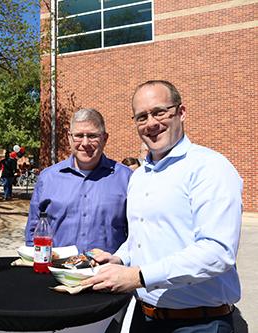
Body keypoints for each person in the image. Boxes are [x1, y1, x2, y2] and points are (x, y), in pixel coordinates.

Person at [83, 80, 242, 333]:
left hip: (199, 323)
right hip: (143, 319)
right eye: (141, 116)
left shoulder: (210, 168)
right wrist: (119, 257)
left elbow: (217, 252)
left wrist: (138, 276)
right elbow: (141, 237)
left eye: (159, 112)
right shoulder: (139, 176)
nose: (151, 123)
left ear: (181, 112)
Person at [25, 108, 132, 254]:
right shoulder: (48, 178)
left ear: (105, 138)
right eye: (79, 136)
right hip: (57, 270)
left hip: (107, 272)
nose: (85, 143)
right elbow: (33, 229)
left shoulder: (126, 178)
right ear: (69, 138)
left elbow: (137, 234)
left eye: (93, 136)